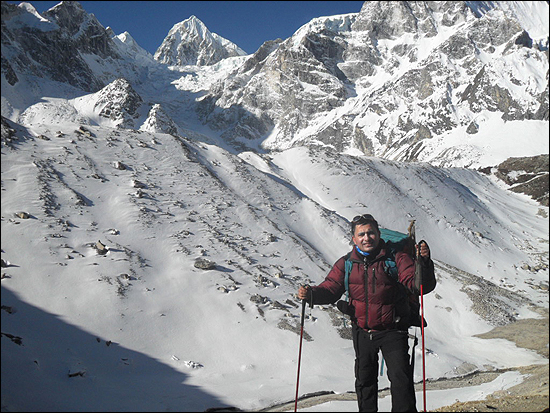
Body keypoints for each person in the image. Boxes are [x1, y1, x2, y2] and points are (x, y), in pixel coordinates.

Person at [297, 214, 434, 412]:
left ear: (378, 235)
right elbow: (331, 289)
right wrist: (311, 294)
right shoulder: (347, 263)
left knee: (401, 381)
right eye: (361, 234)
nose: (366, 237)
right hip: (362, 330)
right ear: (354, 239)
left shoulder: (397, 258)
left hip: (393, 330)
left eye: (371, 233)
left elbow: (418, 285)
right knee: (364, 382)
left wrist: (424, 265)